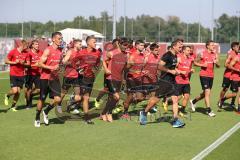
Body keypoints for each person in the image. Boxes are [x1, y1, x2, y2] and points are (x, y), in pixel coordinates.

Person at [139, 39, 185, 128]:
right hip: (164, 81)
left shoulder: (175, 55)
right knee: (156, 99)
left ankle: (175, 120)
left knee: (175, 99)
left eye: (182, 46)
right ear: (174, 46)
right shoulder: (167, 55)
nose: (181, 48)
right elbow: (159, 66)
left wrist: (178, 71)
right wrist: (170, 71)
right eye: (180, 47)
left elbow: (171, 67)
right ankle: (144, 113)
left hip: (172, 81)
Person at [34, 32, 63, 127]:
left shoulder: (60, 52)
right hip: (45, 78)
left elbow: (59, 65)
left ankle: (46, 111)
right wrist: (51, 68)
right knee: (42, 99)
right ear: (53, 39)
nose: (60, 40)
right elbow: (39, 64)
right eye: (59, 38)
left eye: (61, 38)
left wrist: (60, 69)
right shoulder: (48, 50)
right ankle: (37, 117)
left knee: (58, 99)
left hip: (54, 79)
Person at [73, 35, 101, 124]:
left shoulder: (97, 53)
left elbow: (97, 63)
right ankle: (86, 117)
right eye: (94, 41)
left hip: (91, 78)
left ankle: (73, 102)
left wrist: (95, 69)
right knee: (85, 98)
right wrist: (78, 69)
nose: (95, 43)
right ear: (88, 42)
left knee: (85, 98)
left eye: (95, 41)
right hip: (82, 78)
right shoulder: (82, 52)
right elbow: (73, 62)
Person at [101, 38, 129, 122]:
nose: (126, 47)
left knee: (111, 98)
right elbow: (103, 61)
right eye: (124, 45)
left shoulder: (126, 55)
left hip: (119, 79)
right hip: (111, 78)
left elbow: (124, 68)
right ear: (119, 44)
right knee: (116, 97)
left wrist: (124, 78)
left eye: (127, 45)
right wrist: (106, 69)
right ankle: (109, 113)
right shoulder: (111, 53)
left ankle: (103, 113)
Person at [190, 40, 220, 117]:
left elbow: (218, 66)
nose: (213, 46)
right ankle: (209, 110)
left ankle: (193, 101)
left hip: (211, 76)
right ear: (207, 46)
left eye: (214, 45)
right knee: (207, 92)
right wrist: (202, 64)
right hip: (203, 75)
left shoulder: (215, 54)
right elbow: (195, 62)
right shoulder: (202, 53)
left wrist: (216, 63)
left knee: (204, 94)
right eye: (212, 45)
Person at [4, 40, 29, 111]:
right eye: (26, 46)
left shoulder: (26, 53)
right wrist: (15, 62)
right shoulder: (13, 51)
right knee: (15, 91)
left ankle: (13, 106)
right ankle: (7, 95)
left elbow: (27, 63)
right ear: (23, 45)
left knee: (18, 92)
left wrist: (23, 62)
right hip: (13, 74)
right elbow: (6, 61)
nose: (27, 48)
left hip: (21, 75)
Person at [60, 39, 82, 114]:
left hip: (75, 76)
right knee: (63, 94)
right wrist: (72, 62)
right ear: (75, 44)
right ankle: (59, 105)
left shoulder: (79, 53)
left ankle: (70, 104)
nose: (81, 45)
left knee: (78, 97)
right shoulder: (70, 51)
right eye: (79, 44)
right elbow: (63, 62)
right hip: (68, 76)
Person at [217, 42, 239, 109]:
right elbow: (226, 64)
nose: (239, 48)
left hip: (235, 76)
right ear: (233, 47)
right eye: (237, 47)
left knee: (235, 90)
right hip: (228, 75)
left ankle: (232, 103)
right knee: (225, 89)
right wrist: (236, 69)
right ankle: (220, 101)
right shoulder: (230, 54)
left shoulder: (238, 54)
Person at [175, 46, 194, 115]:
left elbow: (188, 69)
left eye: (190, 50)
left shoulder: (190, 59)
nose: (189, 52)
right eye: (188, 50)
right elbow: (174, 68)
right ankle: (167, 101)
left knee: (187, 96)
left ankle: (181, 110)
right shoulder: (179, 58)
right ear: (183, 51)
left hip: (186, 80)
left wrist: (191, 70)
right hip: (179, 80)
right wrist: (180, 72)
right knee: (178, 97)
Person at [25, 40, 42, 109]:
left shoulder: (41, 52)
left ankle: (31, 95)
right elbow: (27, 65)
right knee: (28, 89)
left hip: (38, 74)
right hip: (30, 74)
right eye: (36, 44)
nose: (37, 45)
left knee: (39, 90)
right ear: (32, 45)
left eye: (38, 44)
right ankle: (28, 104)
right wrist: (35, 64)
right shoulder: (29, 53)